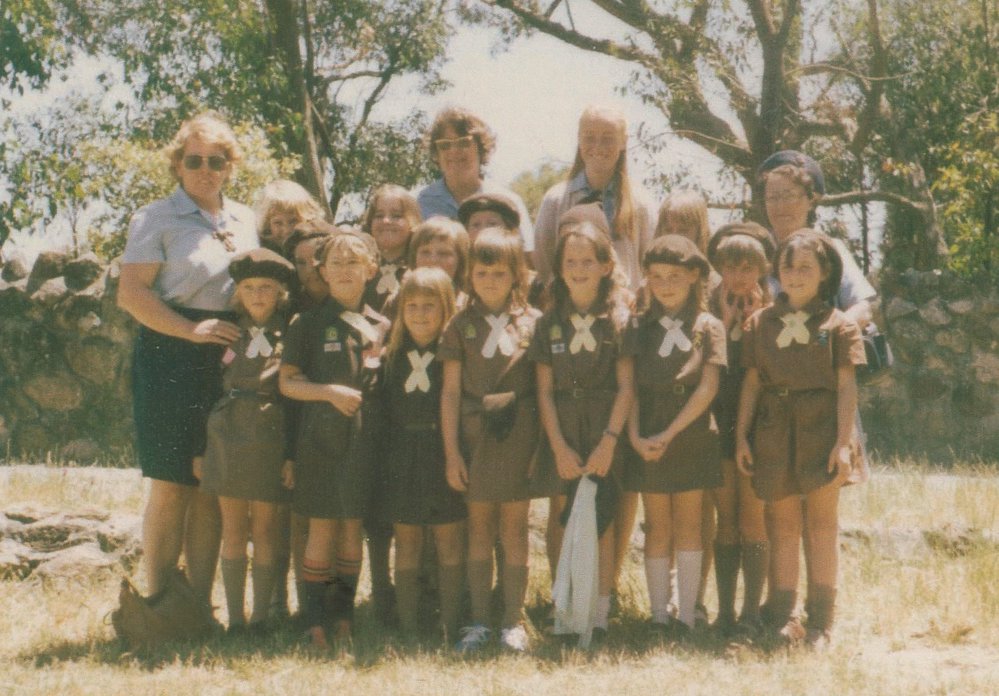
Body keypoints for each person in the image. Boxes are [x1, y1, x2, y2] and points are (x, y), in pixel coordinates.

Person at [118, 111, 258, 608]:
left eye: (216, 161)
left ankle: (197, 606)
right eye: (194, 160)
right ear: (178, 164)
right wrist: (188, 330)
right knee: (171, 482)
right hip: (169, 354)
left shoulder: (245, 220)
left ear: (229, 166)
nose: (205, 170)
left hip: (224, 357)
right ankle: (159, 604)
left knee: (209, 483)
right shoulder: (156, 217)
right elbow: (132, 294)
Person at [735, 229, 866, 648]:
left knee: (822, 524)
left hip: (821, 430)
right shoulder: (761, 323)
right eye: (788, 267)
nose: (795, 275)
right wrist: (741, 436)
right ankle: (783, 615)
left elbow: (846, 387)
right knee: (782, 522)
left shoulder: (839, 326)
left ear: (824, 272)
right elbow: (752, 383)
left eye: (806, 267)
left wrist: (842, 443)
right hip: (774, 430)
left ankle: (821, 621)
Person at [279, 231, 390, 649]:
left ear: (371, 269)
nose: (345, 271)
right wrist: (328, 393)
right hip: (321, 440)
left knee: (351, 529)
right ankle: (315, 622)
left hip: (365, 440)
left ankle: (343, 617)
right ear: (322, 272)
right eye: (336, 264)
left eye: (353, 262)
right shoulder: (307, 323)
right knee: (322, 528)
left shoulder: (382, 326)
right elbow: (288, 383)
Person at [531, 220, 635, 646]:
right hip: (564, 431)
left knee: (603, 518)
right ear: (559, 268)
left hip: (604, 428)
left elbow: (626, 386)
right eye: (570, 262)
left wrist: (609, 441)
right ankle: (566, 609)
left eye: (587, 261)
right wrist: (557, 446)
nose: (578, 269)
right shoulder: (548, 323)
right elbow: (543, 391)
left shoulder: (620, 321)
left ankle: (599, 614)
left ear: (606, 266)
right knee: (563, 515)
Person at [440, 230, 541, 653]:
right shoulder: (460, 325)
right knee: (479, 527)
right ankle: (479, 620)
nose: (490, 281)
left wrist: (539, 449)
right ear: (469, 275)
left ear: (516, 274)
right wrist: (452, 453)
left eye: (499, 273)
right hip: (474, 435)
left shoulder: (534, 323)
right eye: (481, 273)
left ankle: (512, 621)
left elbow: (543, 389)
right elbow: (450, 392)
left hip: (519, 434)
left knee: (514, 528)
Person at [627, 235, 726, 635]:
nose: (665, 285)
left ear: (694, 276)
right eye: (656, 276)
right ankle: (658, 614)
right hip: (648, 432)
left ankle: (687, 614)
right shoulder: (638, 326)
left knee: (689, 523)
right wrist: (636, 436)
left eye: (674, 276)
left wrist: (671, 432)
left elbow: (708, 387)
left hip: (691, 432)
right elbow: (629, 388)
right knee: (657, 525)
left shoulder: (708, 326)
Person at [199, 248, 295, 633]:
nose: (257, 295)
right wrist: (200, 449)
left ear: (280, 293)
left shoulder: (292, 333)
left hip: (271, 433)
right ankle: (236, 618)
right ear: (238, 292)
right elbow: (206, 389)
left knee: (266, 529)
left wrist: (291, 455)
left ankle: (260, 618)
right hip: (227, 432)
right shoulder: (227, 332)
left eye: (266, 287)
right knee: (234, 526)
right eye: (249, 287)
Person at [377, 267, 467, 642]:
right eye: (411, 306)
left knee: (448, 541)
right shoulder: (390, 356)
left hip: (441, 452)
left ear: (446, 308)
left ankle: (451, 625)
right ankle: (409, 627)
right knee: (408, 541)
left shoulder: (454, 355)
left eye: (429, 306)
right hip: (401, 456)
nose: (419, 314)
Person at [705, 222, 775, 634]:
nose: (738, 276)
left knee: (753, 519)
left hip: (756, 426)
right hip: (719, 421)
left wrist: (752, 325)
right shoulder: (709, 310)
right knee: (725, 519)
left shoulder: (772, 313)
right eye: (730, 267)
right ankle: (725, 612)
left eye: (747, 267)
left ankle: (751, 612)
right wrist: (724, 323)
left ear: (762, 269)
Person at [533, 104, 657, 290]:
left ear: (623, 142)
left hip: (625, 305)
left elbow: (651, 268)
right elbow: (544, 265)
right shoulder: (555, 200)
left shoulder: (642, 203)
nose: (598, 147)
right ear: (579, 139)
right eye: (589, 137)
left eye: (608, 138)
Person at [417, 107, 534, 254]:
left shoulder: (508, 201)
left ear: (480, 148)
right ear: (436, 153)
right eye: (445, 145)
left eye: (463, 143)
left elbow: (526, 258)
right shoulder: (420, 202)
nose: (454, 151)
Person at [361, 184, 422, 313]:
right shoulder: (359, 267)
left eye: (396, 216)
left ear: (412, 221)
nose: (386, 221)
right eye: (379, 215)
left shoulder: (421, 268)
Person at [408, 216, 471, 308]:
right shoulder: (400, 302)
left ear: (461, 260)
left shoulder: (469, 307)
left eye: (443, 254)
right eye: (425, 252)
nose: (433, 260)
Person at [255, 179, 325, 253]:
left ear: (308, 219)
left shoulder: (319, 246)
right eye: (278, 223)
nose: (287, 230)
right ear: (267, 225)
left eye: (293, 221)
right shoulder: (263, 252)